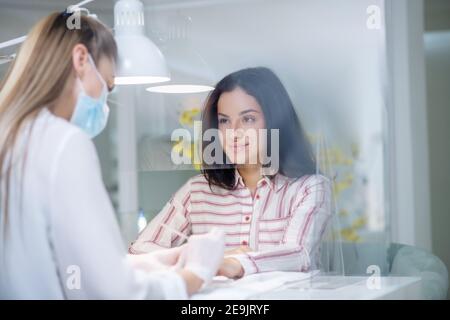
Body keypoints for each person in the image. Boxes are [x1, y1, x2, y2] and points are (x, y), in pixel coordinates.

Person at [0, 11, 224, 299]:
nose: (104, 101)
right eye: (107, 85)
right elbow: (115, 293)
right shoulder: (62, 143)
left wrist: (153, 261)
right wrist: (194, 275)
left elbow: (66, 264)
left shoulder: (13, 136)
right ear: (81, 59)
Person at [130, 67, 332, 279]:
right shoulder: (197, 190)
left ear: (276, 123)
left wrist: (235, 264)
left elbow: (299, 254)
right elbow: (139, 250)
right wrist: (211, 258)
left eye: (248, 119)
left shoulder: (311, 188)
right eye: (224, 121)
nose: (233, 132)